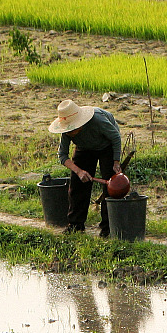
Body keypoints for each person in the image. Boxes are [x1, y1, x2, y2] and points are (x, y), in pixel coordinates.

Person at [48, 99, 122, 236]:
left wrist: (116, 162)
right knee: (77, 185)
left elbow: (115, 137)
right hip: (84, 148)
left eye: (73, 129)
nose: (70, 132)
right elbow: (62, 155)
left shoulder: (98, 121)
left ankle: (108, 227)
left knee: (111, 185)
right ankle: (76, 224)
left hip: (107, 145)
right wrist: (79, 171)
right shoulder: (66, 131)